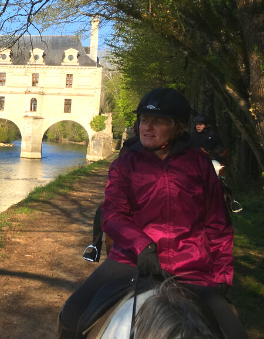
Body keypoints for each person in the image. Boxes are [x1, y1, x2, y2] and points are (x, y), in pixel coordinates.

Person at [58, 88, 248, 339]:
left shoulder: (199, 165)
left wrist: (222, 272)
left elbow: (218, 224)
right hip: (131, 261)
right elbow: (113, 215)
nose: (147, 128)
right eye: (144, 120)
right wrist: (142, 247)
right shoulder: (125, 163)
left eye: (158, 122)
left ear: (177, 127)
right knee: (71, 315)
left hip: (191, 266)